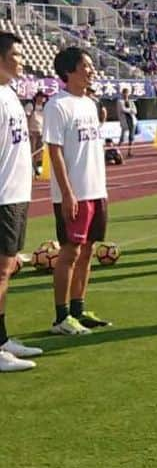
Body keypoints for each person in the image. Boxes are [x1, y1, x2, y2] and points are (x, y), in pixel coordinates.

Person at [43, 47, 111, 335]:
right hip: (74, 193)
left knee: (88, 251)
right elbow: (55, 152)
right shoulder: (57, 105)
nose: (91, 70)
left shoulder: (90, 103)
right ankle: (61, 318)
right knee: (70, 252)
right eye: (85, 65)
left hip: (96, 189)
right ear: (69, 71)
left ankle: (78, 309)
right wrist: (68, 192)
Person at [0, 35, 42, 369]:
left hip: (15, 194)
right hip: (2, 197)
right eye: (16, 54)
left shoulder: (10, 94)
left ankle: (2, 338)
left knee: (6, 269)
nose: (22, 60)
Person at [116, 86, 138, 157]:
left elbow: (135, 111)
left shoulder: (131, 102)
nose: (125, 94)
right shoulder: (120, 102)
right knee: (122, 137)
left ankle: (129, 151)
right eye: (124, 93)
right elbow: (123, 109)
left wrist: (130, 110)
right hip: (124, 121)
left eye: (127, 93)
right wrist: (130, 110)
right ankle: (116, 150)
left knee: (131, 137)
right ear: (122, 94)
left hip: (132, 121)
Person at [25, 92, 44, 177]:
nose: (41, 99)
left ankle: (37, 169)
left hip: (41, 132)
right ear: (36, 97)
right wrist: (27, 130)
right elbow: (27, 118)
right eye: (39, 97)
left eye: (42, 97)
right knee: (32, 151)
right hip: (33, 132)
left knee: (40, 152)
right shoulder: (31, 105)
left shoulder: (45, 107)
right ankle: (32, 169)